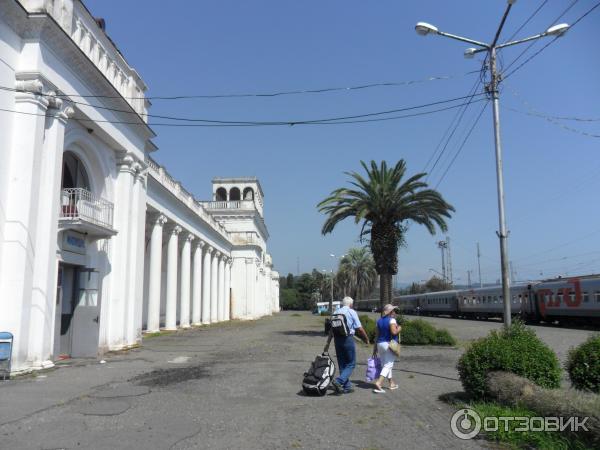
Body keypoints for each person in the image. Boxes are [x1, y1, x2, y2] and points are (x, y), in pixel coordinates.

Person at [330, 296, 370, 394]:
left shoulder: (336, 312)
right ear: (351, 304)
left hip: (337, 340)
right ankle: (338, 381)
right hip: (347, 339)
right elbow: (359, 328)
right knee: (351, 363)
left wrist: (327, 343)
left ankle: (347, 387)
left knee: (342, 363)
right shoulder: (352, 312)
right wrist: (366, 338)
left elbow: (331, 330)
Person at [372, 304, 401, 393]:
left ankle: (391, 383)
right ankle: (379, 383)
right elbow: (394, 332)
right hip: (388, 344)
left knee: (385, 364)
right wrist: (399, 328)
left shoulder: (379, 321)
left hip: (380, 344)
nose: (395, 312)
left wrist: (374, 349)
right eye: (393, 311)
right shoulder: (392, 320)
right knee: (388, 365)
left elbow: (376, 336)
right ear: (390, 312)